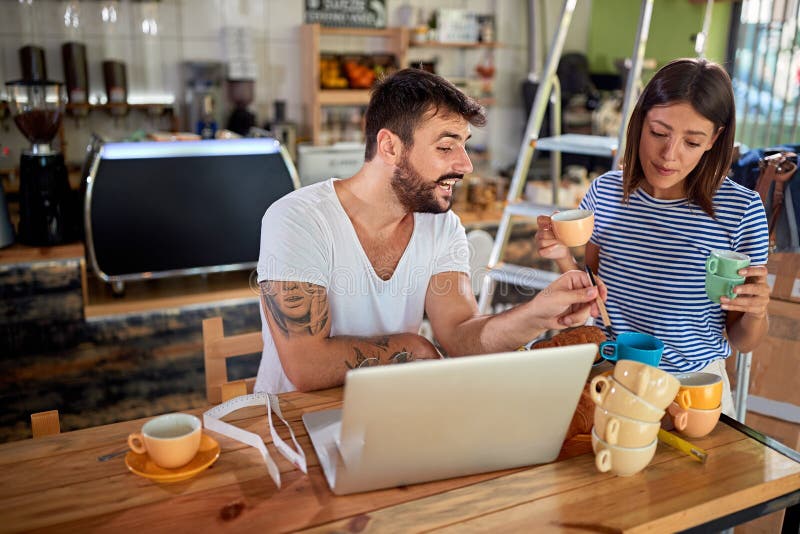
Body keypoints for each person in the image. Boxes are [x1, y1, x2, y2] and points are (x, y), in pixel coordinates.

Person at [255, 68, 607, 394]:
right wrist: (414, 347)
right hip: (292, 427)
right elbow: (306, 366)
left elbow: (459, 334)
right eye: (445, 146)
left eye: (465, 144)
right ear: (390, 147)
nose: (465, 164)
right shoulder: (298, 219)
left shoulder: (441, 225)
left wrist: (537, 313)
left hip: (393, 411)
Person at [535, 58, 771, 416]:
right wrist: (560, 256)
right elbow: (593, 291)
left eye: (692, 141)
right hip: (609, 378)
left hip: (692, 389)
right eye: (659, 133)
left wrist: (757, 312)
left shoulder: (741, 210)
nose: (669, 155)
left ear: (715, 138)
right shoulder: (606, 193)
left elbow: (742, 339)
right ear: (640, 120)